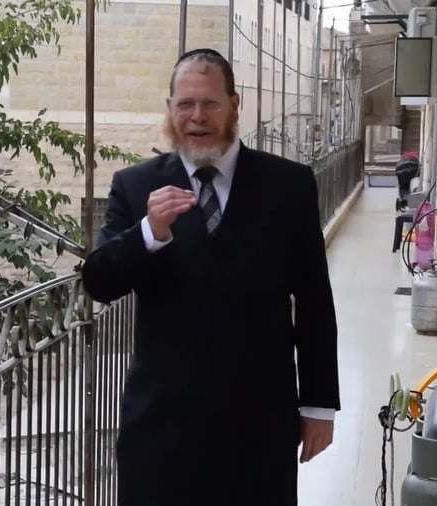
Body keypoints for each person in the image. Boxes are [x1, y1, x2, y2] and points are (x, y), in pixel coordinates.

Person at [81, 48, 340, 505]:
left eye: (210, 103)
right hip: (161, 427)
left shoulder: (289, 184)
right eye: (185, 104)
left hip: (258, 422)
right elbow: (100, 282)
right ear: (170, 109)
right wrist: (149, 231)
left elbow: (314, 300)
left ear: (234, 106)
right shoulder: (135, 185)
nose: (197, 117)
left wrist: (319, 405)